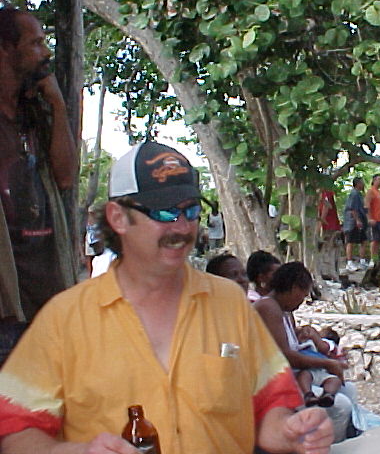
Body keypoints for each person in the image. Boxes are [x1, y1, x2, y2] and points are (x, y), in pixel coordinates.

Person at [0, 141, 333, 454]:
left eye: (191, 211)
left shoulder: (231, 304)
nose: (182, 227)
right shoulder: (65, 318)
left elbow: (270, 405)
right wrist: (76, 451)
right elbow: (14, 431)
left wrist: (292, 431)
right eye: (164, 213)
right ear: (118, 217)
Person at [0, 6, 77, 358]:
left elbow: (66, 177)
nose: (45, 52)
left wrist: (57, 105)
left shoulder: (35, 112)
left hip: (46, 295)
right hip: (6, 300)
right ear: (6, 48)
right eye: (35, 43)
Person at [254, 262, 348, 409]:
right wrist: (328, 363)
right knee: (342, 406)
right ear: (294, 288)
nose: (302, 302)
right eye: (303, 296)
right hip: (272, 381)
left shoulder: (284, 311)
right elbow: (286, 356)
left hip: (291, 374)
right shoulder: (268, 307)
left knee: (348, 390)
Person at [343, 177, 368, 272]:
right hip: (352, 222)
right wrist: (357, 220)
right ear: (357, 184)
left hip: (360, 220)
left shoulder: (359, 194)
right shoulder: (354, 194)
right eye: (362, 182)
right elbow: (352, 208)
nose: (363, 184)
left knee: (363, 240)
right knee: (350, 241)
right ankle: (349, 263)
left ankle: (362, 261)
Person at [364, 174, 380, 267]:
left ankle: (376, 258)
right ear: (374, 181)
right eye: (378, 179)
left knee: (379, 240)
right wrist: (369, 218)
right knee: (374, 240)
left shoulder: (379, 192)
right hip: (374, 219)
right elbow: (367, 205)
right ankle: (372, 259)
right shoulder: (371, 191)